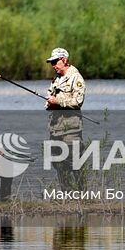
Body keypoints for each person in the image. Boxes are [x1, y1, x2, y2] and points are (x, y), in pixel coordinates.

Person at [45, 47, 86, 188]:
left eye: (55, 62)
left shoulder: (76, 77)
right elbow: (49, 98)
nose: (53, 65)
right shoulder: (56, 78)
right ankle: (66, 194)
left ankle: (83, 194)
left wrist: (58, 102)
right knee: (57, 162)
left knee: (74, 162)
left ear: (64, 60)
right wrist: (50, 103)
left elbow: (78, 102)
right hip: (55, 128)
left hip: (71, 129)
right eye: (51, 63)